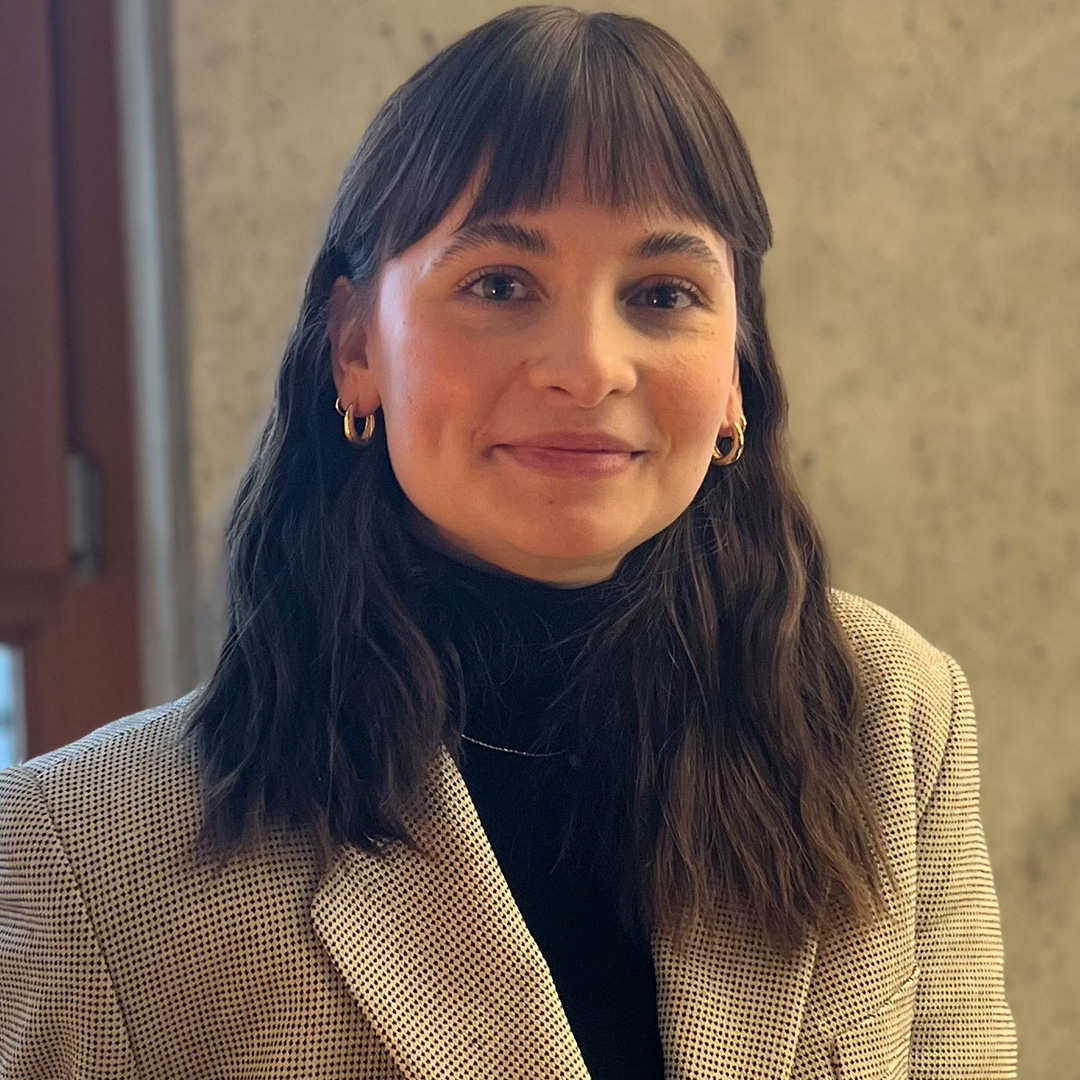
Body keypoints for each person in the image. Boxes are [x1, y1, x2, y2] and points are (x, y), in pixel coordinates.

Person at [0, 7, 1016, 1078]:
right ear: (355, 348)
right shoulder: (79, 853)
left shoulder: (889, 720)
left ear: (735, 372)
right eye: (499, 285)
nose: (588, 368)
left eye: (662, 294)